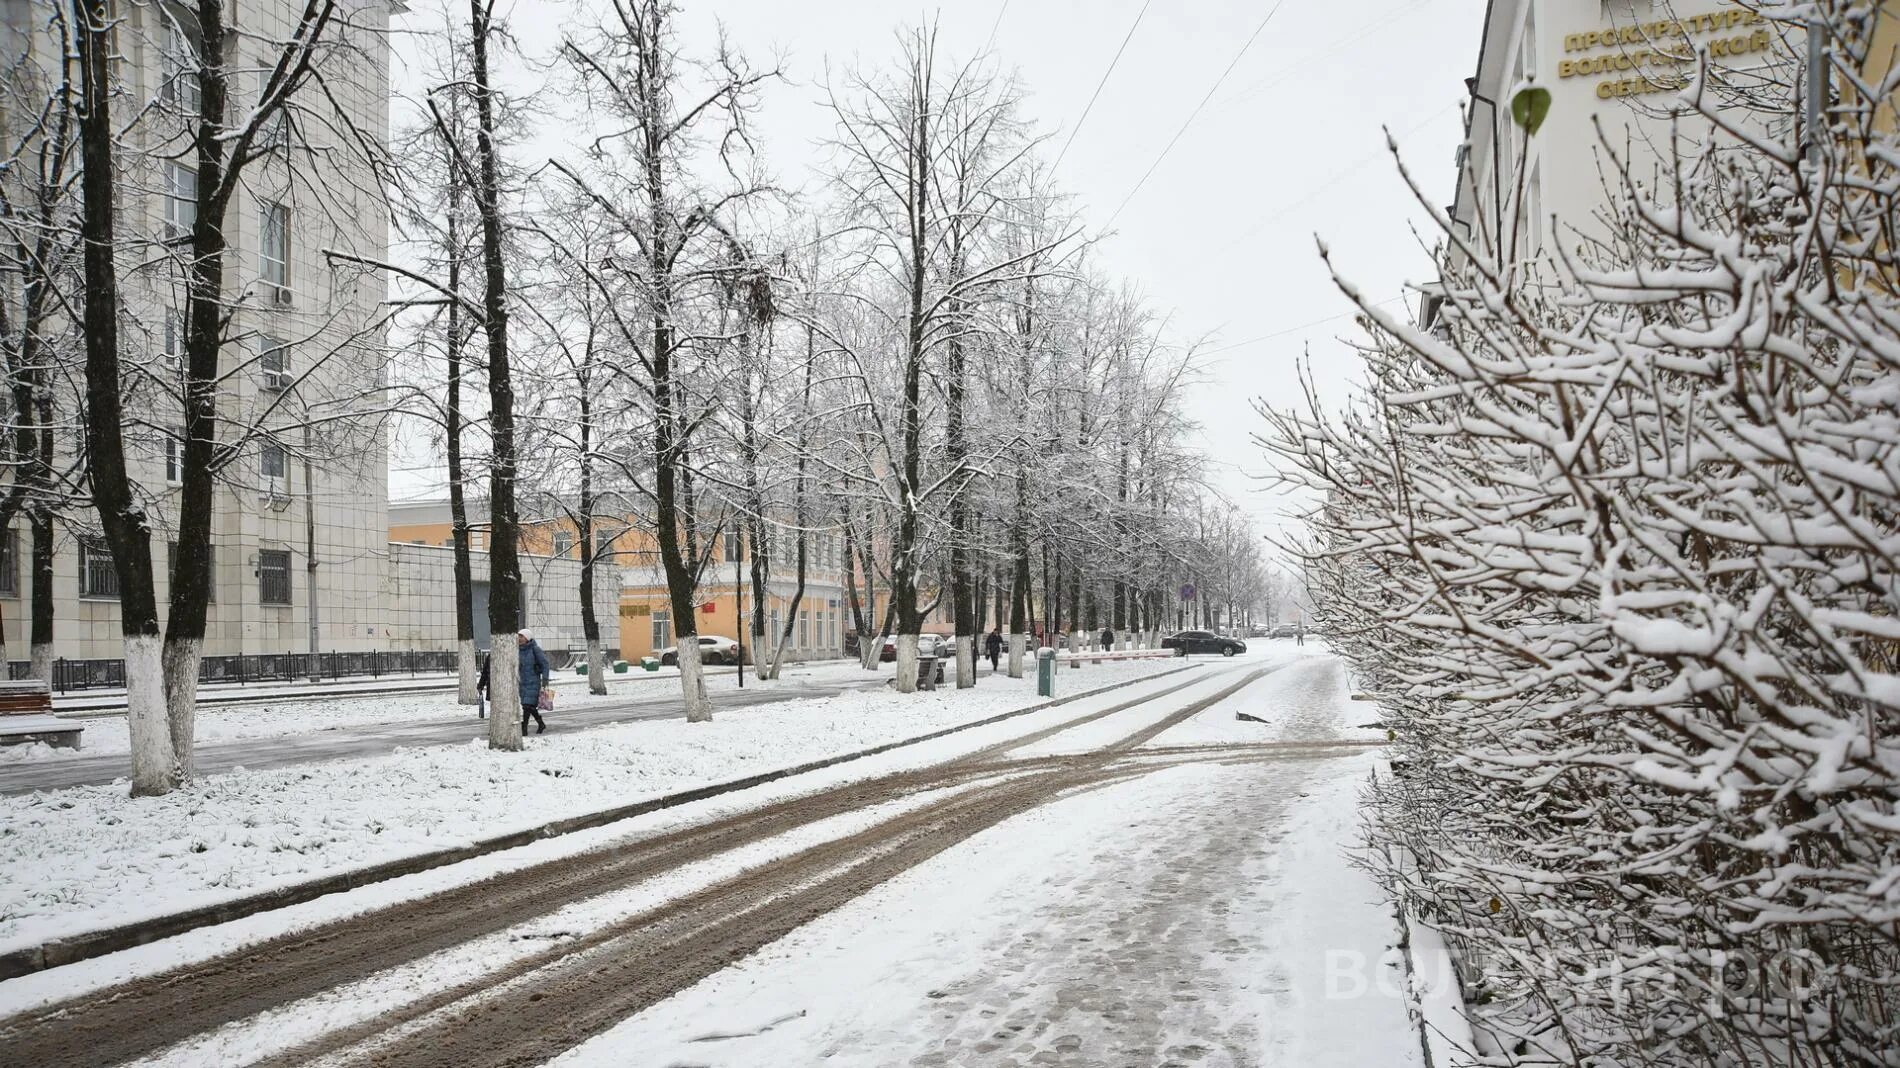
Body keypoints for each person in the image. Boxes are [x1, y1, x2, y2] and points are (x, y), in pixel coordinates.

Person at [478, 628, 553, 734]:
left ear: (527, 638)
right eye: (518, 636)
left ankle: (525, 728)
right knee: (528, 706)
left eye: (522, 636)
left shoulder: (535, 649)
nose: (519, 639)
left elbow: (545, 664)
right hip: (521, 682)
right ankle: (540, 723)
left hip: (533, 681)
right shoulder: (516, 650)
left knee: (527, 705)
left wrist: (545, 679)